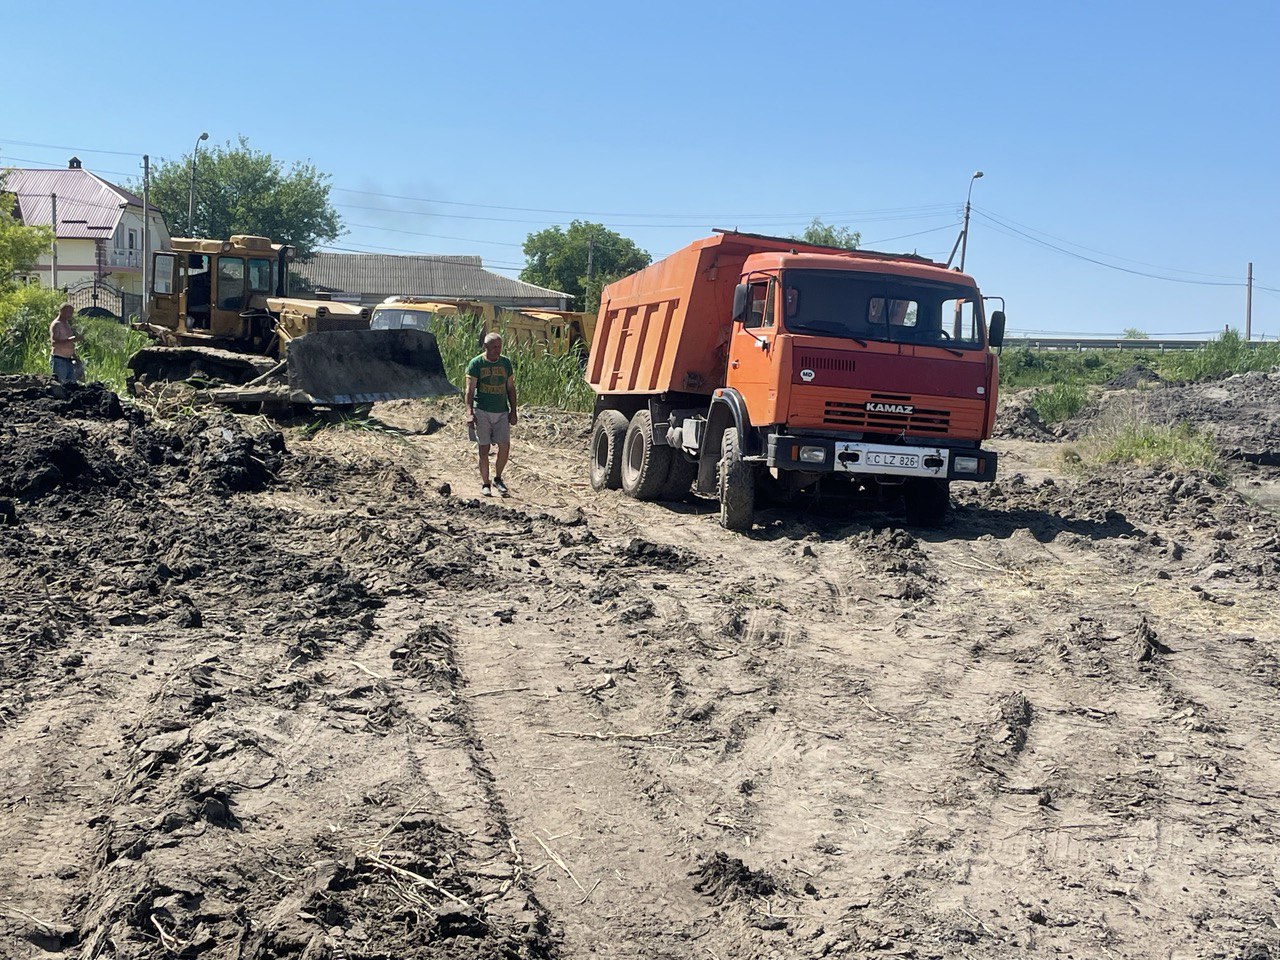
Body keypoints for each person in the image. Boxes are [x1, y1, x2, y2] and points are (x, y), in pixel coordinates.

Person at [464, 332, 517, 497]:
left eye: (499, 347)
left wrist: (513, 411)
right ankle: (485, 483)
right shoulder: (476, 364)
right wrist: (469, 412)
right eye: (494, 347)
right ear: (485, 347)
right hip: (482, 411)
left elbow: (510, 388)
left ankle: (498, 478)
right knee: (484, 448)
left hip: (501, 411)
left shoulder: (505, 363)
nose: (497, 350)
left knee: (504, 446)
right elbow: (469, 390)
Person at [49, 303, 81, 384]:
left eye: (72, 312)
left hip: (68, 360)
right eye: (69, 311)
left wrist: (75, 357)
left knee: (71, 386)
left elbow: (69, 344)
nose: (70, 314)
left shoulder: (66, 324)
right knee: (60, 385)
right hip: (59, 360)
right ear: (62, 311)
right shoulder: (56, 324)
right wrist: (71, 339)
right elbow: (54, 343)